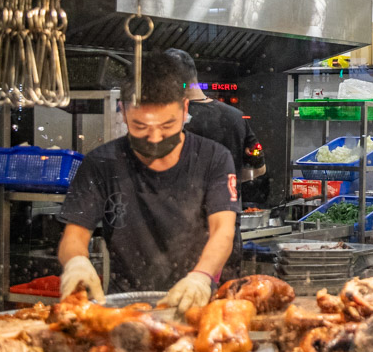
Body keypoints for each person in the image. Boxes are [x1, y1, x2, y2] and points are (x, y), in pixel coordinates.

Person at [56, 51, 240, 316]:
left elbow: (223, 229)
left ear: (185, 109)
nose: (154, 138)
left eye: (167, 126)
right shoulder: (102, 163)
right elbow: (74, 235)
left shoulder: (213, 158)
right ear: (123, 112)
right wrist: (76, 263)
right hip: (127, 306)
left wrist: (200, 276)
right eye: (141, 127)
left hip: (198, 305)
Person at [165, 47, 267, 206]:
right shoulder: (236, 117)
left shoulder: (172, 119)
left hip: (185, 220)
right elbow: (259, 170)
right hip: (227, 218)